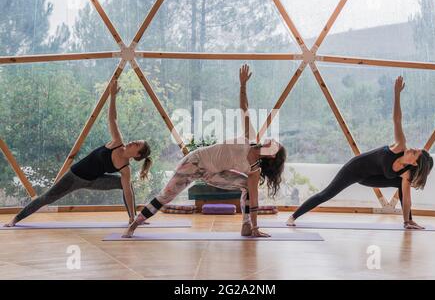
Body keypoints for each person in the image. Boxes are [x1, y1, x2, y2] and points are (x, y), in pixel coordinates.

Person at [122, 64, 286, 238]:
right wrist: (243, 85)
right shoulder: (250, 138)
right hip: (195, 162)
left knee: (248, 186)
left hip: (212, 174)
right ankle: (134, 224)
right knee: (166, 196)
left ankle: (247, 226)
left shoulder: (254, 170)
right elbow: (244, 108)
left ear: (272, 154)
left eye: (275, 143)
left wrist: (255, 228)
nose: (272, 140)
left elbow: (254, 202)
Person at [286, 76, 433, 230]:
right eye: (416, 148)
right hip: (355, 169)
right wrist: (397, 94)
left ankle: (407, 222)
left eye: (415, 152)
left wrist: (406, 219)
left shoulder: (406, 174)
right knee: (327, 194)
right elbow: (397, 120)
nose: (413, 148)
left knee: (402, 185)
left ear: (415, 162)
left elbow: (407, 198)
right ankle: (293, 216)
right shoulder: (400, 146)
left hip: (369, 178)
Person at [4, 79, 152, 227]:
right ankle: (15, 220)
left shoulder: (126, 169)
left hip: (94, 180)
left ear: (137, 155)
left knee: (127, 185)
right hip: (74, 176)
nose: (133, 141)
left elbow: (127, 192)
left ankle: (133, 218)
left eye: (137, 144)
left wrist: (133, 217)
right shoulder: (117, 142)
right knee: (47, 198)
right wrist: (112, 95)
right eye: (136, 140)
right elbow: (112, 118)